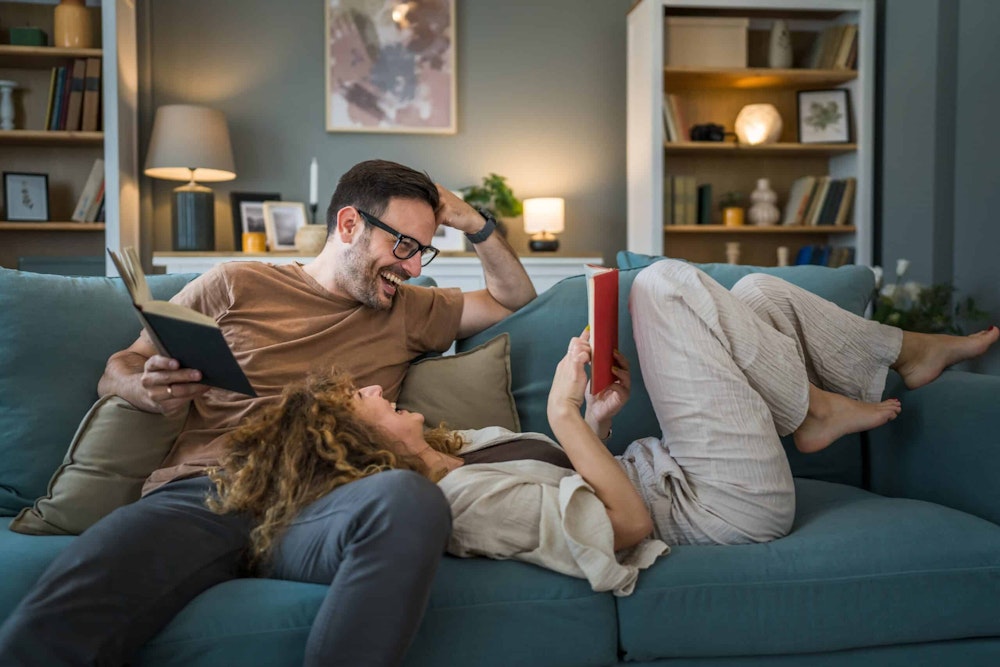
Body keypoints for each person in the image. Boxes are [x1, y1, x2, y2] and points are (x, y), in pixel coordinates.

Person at [0, 159, 537, 667]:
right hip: (208, 491)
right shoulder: (234, 284)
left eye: (423, 251)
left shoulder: (408, 308)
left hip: (325, 502)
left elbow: (512, 299)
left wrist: (475, 223)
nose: (414, 266)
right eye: (403, 244)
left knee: (408, 498)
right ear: (349, 224)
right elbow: (121, 365)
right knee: (48, 625)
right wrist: (140, 387)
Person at [206, 259, 998, 592]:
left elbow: (585, 476)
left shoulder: (453, 452)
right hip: (719, 509)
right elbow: (624, 522)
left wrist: (595, 418)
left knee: (756, 293)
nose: (380, 394)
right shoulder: (464, 505)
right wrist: (559, 414)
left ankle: (903, 352)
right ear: (359, 447)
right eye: (364, 404)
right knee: (660, 286)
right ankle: (814, 410)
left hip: (672, 466)